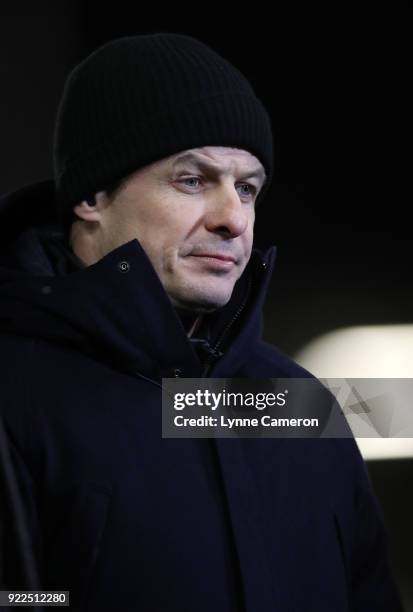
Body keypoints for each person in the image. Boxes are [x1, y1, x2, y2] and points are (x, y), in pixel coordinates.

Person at [0, 33, 403, 611]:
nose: (232, 219)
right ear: (92, 194)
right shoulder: (16, 392)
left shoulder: (301, 403)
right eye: (192, 181)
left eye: (247, 188)